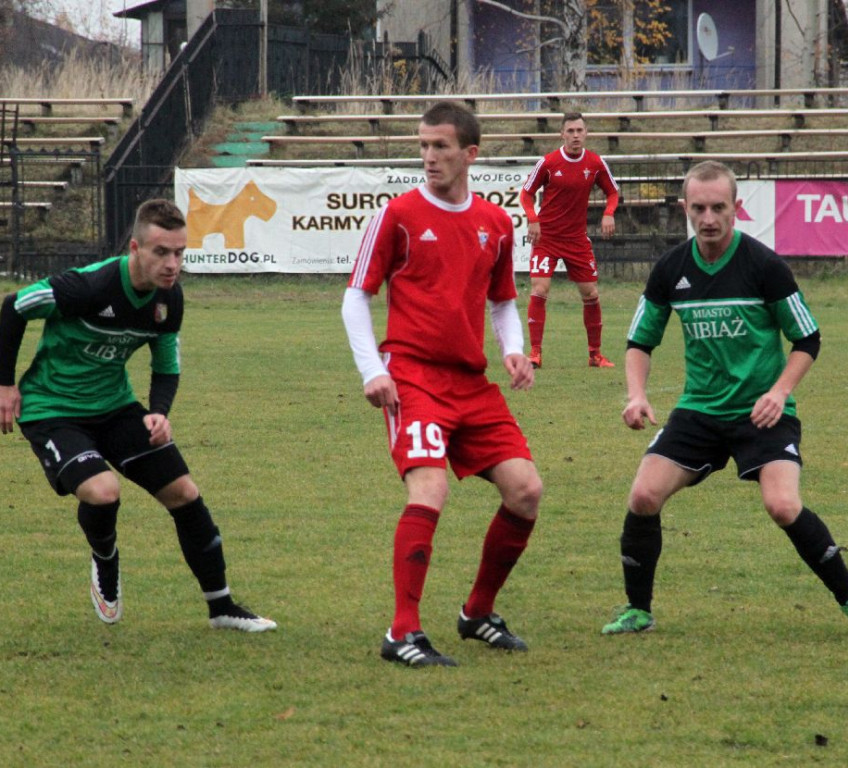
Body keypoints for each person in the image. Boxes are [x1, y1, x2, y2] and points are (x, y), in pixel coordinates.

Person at [601, 160, 848, 640]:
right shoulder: (671, 269)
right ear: (683, 208)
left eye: (719, 207)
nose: (709, 217)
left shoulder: (764, 265)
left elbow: (808, 339)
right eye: (699, 208)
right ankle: (638, 610)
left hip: (762, 412)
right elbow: (639, 342)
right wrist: (636, 395)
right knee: (643, 496)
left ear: (737, 207)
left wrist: (779, 392)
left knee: (782, 505)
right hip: (699, 411)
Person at [0, 199, 276, 633]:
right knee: (103, 491)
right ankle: (105, 559)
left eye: (180, 253)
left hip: (115, 408)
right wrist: (5, 384)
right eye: (161, 252)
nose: (172, 264)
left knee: (184, 493)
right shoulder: (88, 287)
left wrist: (159, 414)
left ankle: (221, 607)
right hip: (53, 409)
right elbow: (13, 306)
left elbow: (166, 365)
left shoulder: (169, 300)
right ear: (135, 248)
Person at [342, 101, 543, 667]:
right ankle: (401, 632)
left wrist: (513, 350)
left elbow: (503, 301)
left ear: (469, 154)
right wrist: (373, 370)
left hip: (470, 382)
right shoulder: (398, 214)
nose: (429, 156)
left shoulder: (495, 224)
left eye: (441, 146)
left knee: (526, 491)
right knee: (429, 490)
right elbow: (356, 295)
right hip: (412, 375)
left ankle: (477, 612)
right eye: (423, 145)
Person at [520, 111, 619, 369]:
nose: (575, 136)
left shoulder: (595, 163)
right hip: (547, 238)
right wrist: (533, 218)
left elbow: (612, 193)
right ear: (562, 134)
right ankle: (535, 353)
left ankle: (595, 355)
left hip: (576, 240)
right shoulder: (549, 163)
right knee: (540, 289)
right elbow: (526, 193)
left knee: (591, 293)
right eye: (571, 131)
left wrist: (608, 213)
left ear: (586, 133)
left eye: (580, 131)